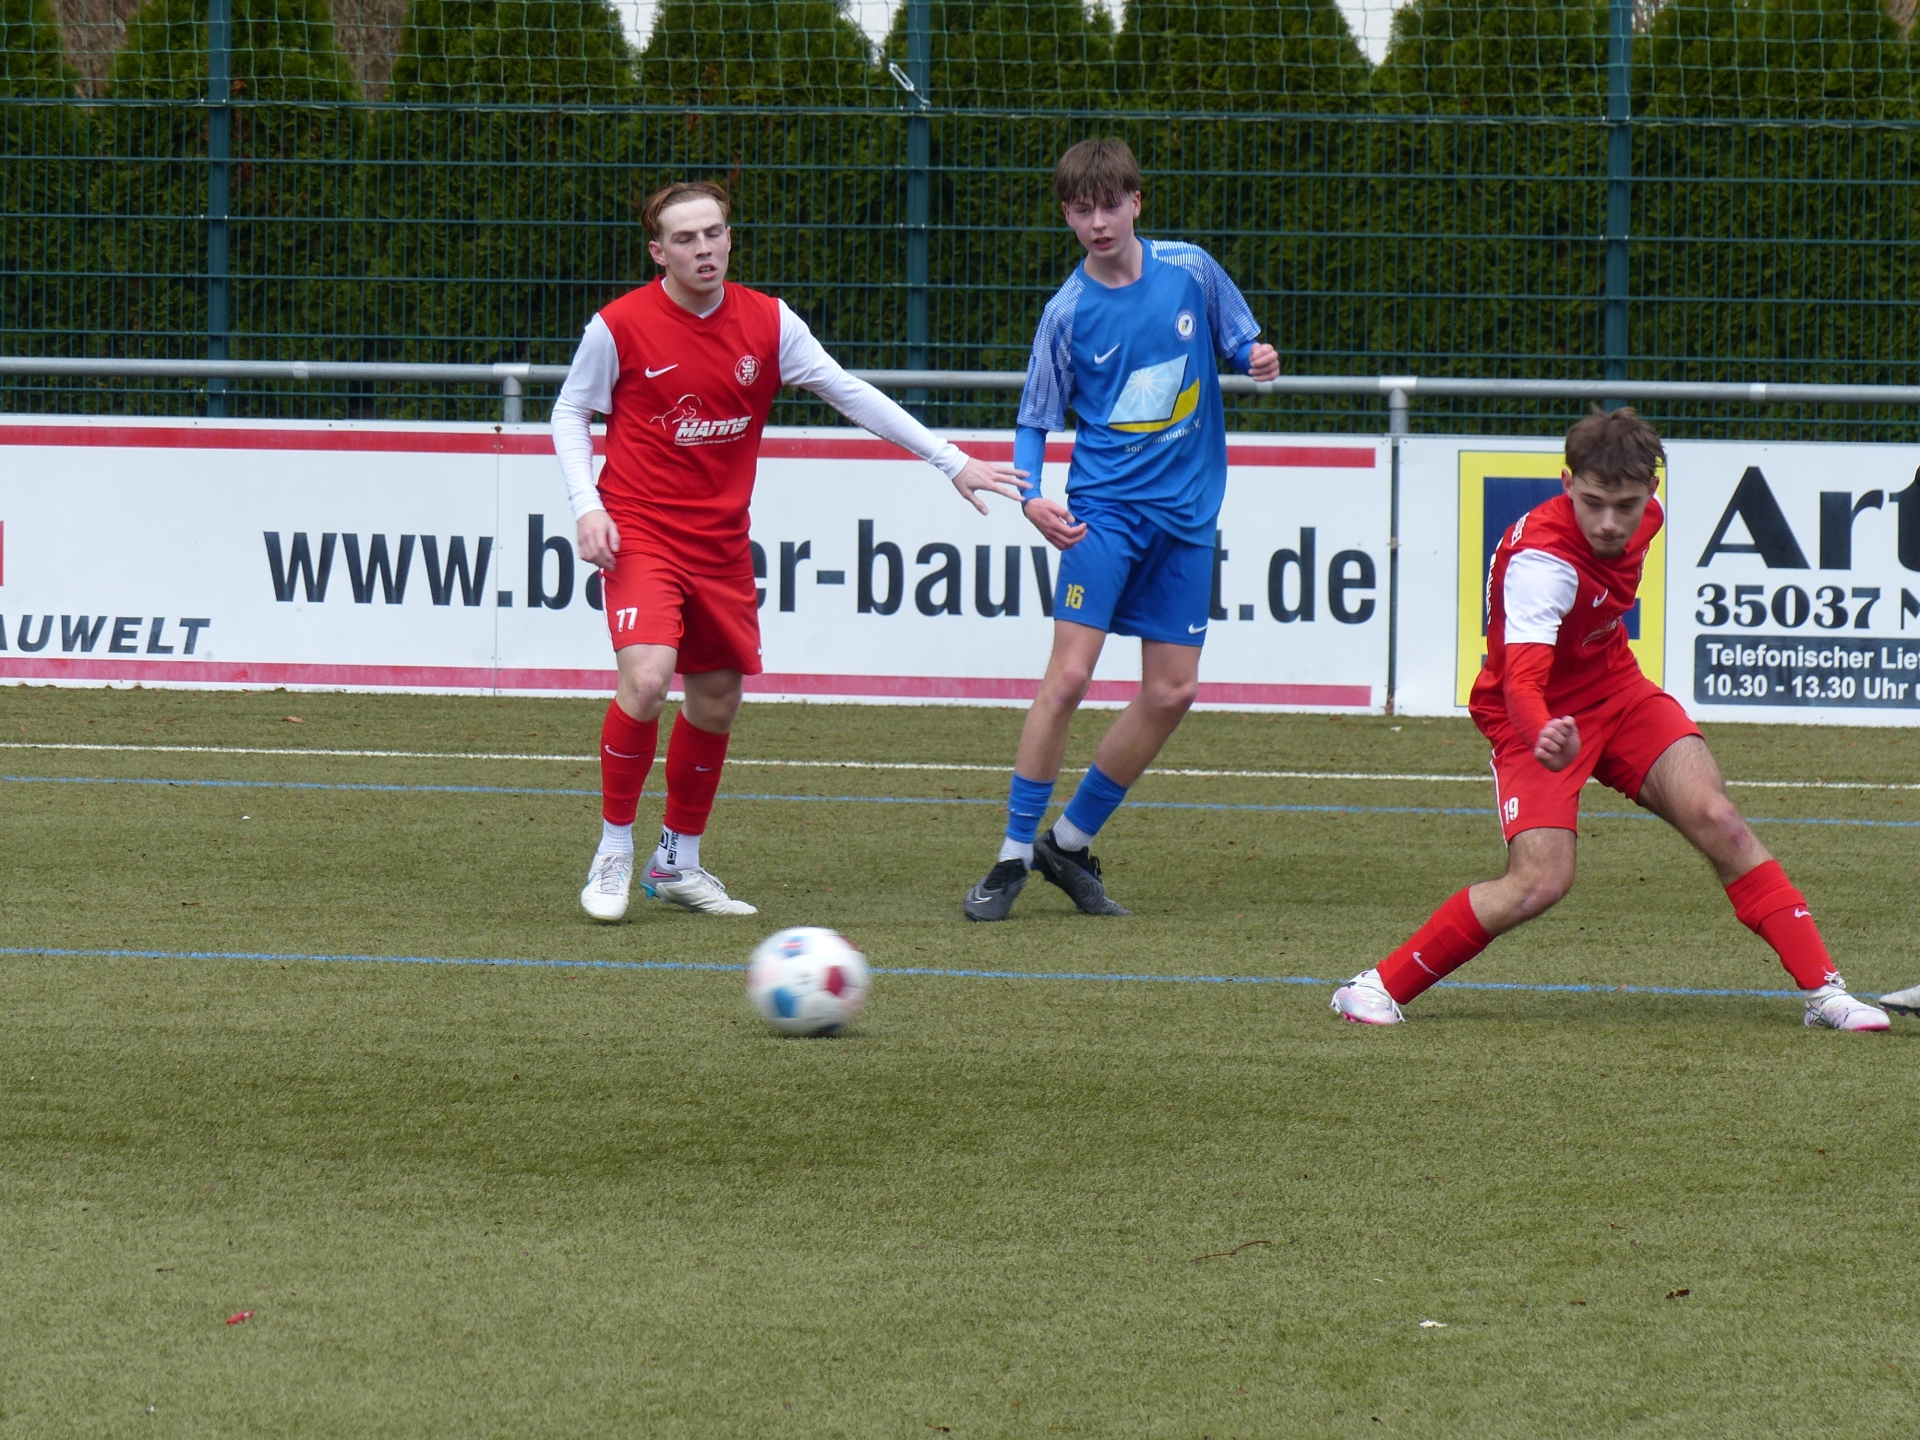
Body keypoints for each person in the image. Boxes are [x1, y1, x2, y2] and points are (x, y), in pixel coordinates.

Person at [553, 180, 1026, 922]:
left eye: (714, 232)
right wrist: (588, 506)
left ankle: (676, 861)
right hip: (640, 529)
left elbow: (849, 392)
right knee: (646, 681)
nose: (703, 248)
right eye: (684, 238)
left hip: (720, 542)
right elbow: (570, 409)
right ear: (658, 252)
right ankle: (613, 848)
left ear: (729, 238)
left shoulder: (769, 322)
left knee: (717, 700)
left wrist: (951, 460)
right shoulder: (619, 327)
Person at [1331, 408, 1890, 1031]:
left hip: (1617, 689)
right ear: (1566, 482)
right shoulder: (1542, 563)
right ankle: (1375, 985)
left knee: (1720, 819)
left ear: (1651, 490)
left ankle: (1826, 994)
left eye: (1625, 505)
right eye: (1592, 502)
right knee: (1541, 881)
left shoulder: (1649, 517)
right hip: (1535, 717)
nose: (1608, 522)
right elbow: (1520, 680)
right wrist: (1541, 729)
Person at [961, 138, 1279, 922]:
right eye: (1081, 209)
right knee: (1068, 678)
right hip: (1102, 516)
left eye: (1110, 205)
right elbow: (1034, 419)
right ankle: (1010, 856)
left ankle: (1067, 843)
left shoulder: (1191, 269)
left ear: (1137, 201)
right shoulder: (1066, 313)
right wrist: (1031, 498)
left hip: (1188, 518)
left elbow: (1238, 337)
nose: (1098, 222)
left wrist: (1255, 356)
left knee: (1173, 691)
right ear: (1067, 216)